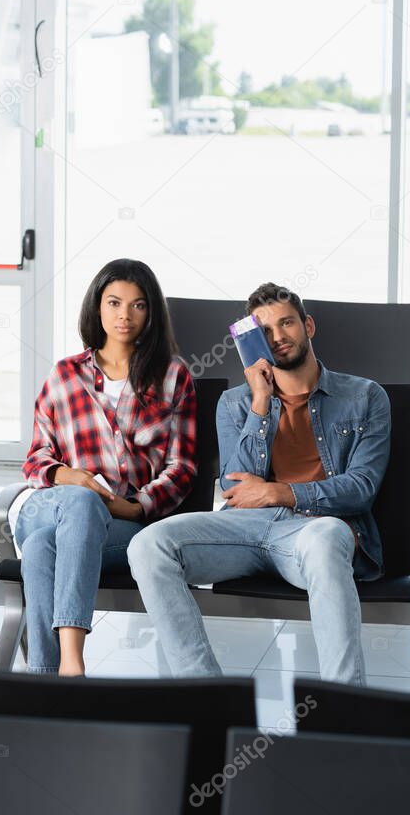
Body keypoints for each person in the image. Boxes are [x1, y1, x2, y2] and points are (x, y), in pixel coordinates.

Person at [128, 282, 391, 686]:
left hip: (317, 527)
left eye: (287, 323)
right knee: (149, 545)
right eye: (265, 331)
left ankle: (344, 705)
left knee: (324, 540)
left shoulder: (365, 396)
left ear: (308, 325)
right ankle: (204, 693)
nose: (278, 337)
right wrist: (260, 402)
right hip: (246, 527)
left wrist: (279, 491)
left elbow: (360, 487)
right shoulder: (236, 403)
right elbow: (234, 485)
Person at [16, 258, 196, 676]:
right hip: (51, 505)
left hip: (121, 523)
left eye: (137, 305)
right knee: (79, 503)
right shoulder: (65, 374)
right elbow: (36, 458)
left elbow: (182, 467)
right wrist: (72, 478)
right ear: (97, 306)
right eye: (114, 303)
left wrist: (135, 507)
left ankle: (45, 680)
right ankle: (74, 665)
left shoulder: (173, 377)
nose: (124, 315)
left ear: (151, 313)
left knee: (44, 548)